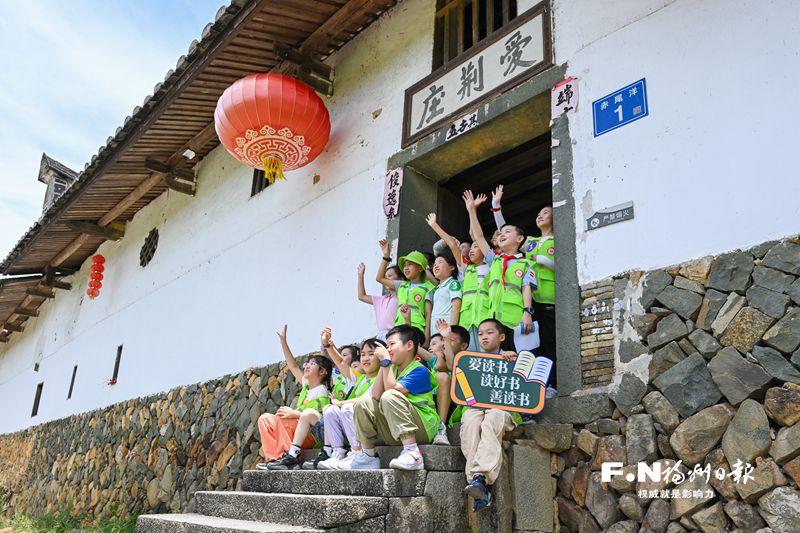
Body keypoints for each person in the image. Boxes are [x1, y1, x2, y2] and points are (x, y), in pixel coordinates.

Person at [351, 325, 440, 470]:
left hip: (423, 427)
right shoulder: (390, 367)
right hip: (396, 429)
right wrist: (384, 364)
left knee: (390, 395)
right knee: (363, 403)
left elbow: (392, 391)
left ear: (409, 345)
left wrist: (386, 362)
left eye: (392, 344)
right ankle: (368, 455)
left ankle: (413, 453)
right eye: (387, 346)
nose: (388, 349)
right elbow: (376, 395)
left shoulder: (419, 370)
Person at [493, 185, 556, 388]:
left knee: (549, 343)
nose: (540, 215)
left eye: (545, 212)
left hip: (549, 300)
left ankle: (551, 385)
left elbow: (562, 265)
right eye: (538, 213)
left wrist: (542, 259)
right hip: (530, 302)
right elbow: (509, 233)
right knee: (529, 345)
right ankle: (529, 385)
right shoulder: (531, 242)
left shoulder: (558, 239)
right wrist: (496, 208)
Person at [464, 190, 538, 352]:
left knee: (515, 359)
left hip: (515, 320)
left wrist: (527, 312)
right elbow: (479, 237)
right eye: (500, 233)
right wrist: (471, 210)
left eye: (507, 232)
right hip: (495, 321)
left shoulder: (525, 263)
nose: (501, 235)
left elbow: (526, 288)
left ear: (519, 239)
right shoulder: (494, 259)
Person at [460, 318, 523, 512]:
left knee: (492, 419)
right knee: (470, 422)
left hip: (503, 412)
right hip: (478, 409)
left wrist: (516, 362)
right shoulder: (473, 362)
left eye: (489, 332)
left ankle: (481, 477)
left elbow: (523, 392)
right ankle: (478, 485)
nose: (484, 337)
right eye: (480, 334)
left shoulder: (513, 358)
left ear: (502, 337)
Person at [256, 325, 332, 470]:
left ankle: (289, 458)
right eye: (307, 363)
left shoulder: (322, 390)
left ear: (322, 372)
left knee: (285, 417)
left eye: (312, 364)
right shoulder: (306, 386)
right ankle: (274, 459)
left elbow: (319, 418)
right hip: (295, 428)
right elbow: (292, 365)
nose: (307, 366)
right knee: (264, 419)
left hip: (310, 435)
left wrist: (294, 413)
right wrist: (284, 343)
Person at [312, 334, 384, 470]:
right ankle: (338, 452)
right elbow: (341, 363)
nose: (365, 358)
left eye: (371, 354)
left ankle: (358, 453)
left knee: (347, 407)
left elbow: (366, 398)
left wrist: (341, 403)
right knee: (330, 409)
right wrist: (329, 346)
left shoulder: (382, 376)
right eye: (363, 354)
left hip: (374, 427)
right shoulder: (360, 378)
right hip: (358, 426)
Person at [376, 240, 435, 345]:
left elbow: (428, 314)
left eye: (410, 265)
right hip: (399, 328)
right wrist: (386, 256)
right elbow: (379, 278)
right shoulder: (402, 285)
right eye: (405, 265)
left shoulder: (428, 287)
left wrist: (427, 338)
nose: (406, 268)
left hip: (417, 329)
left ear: (420, 268)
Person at [431, 319, 470, 446]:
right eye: (443, 340)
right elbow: (418, 351)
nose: (444, 344)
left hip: (452, 408)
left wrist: (446, 339)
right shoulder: (438, 360)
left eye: (451, 341)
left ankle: (441, 429)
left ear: (463, 346)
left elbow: (453, 366)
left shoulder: (468, 361)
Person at [357, 260, 404, 341]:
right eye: (384, 277)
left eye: (389, 276)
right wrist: (360, 276)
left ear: (401, 279)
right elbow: (362, 296)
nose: (385, 280)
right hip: (382, 336)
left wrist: (385, 257)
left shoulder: (403, 295)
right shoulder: (382, 299)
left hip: (396, 335)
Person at [425, 252, 462, 339]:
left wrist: (452, 330)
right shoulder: (436, 289)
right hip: (436, 329)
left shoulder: (453, 283)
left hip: (446, 327)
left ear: (452, 267)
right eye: (435, 264)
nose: (436, 266)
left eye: (440, 262)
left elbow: (456, 306)